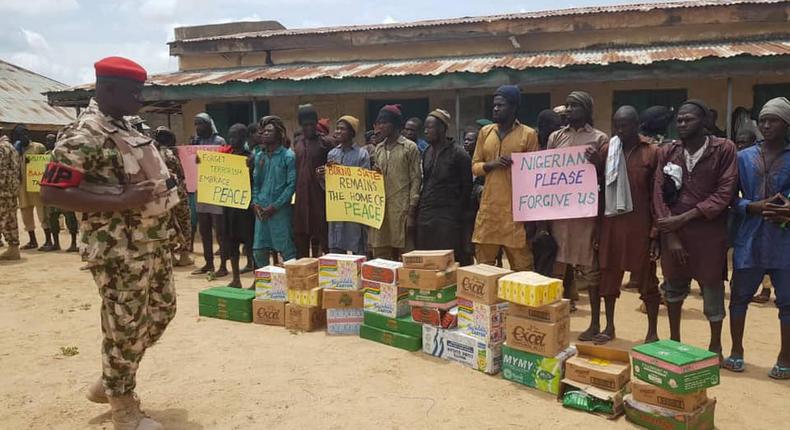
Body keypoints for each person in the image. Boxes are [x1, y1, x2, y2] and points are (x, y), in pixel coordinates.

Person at [40, 56, 177, 430]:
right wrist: (119, 202)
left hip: (151, 241)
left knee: (162, 312)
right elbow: (52, 193)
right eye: (135, 92)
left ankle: (112, 374)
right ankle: (123, 407)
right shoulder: (83, 135)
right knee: (125, 326)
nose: (141, 98)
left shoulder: (128, 124)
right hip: (117, 250)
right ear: (108, 90)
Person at [654, 99, 738, 359]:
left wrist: (685, 218)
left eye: (688, 119)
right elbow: (657, 194)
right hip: (675, 237)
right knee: (673, 289)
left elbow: (725, 193)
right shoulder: (668, 151)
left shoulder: (723, 149)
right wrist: (672, 235)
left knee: (712, 288)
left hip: (708, 234)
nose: (682, 124)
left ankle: (715, 346)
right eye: (678, 119)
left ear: (704, 122)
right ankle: (674, 340)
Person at [723, 97, 790, 379]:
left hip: (784, 242)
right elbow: (729, 197)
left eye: (772, 120)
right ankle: (736, 351)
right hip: (748, 239)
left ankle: (785, 357)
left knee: (787, 302)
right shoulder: (744, 156)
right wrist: (750, 206)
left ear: (786, 124)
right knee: (739, 297)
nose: (765, 125)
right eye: (762, 120)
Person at [596, 106, 661, 344]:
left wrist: (655, 232)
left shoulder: (651, 153)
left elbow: (657, 194)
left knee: (648, 280)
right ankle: (609, 326)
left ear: (636, 125)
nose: (620, 130)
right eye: (617, 125)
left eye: (625, 125)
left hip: (640, 227)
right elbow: (598, 188)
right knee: (608, 278)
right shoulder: (607, 150)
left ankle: (652, 331)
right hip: (611, 227)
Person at [547, 91, 608, 324]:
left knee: (590, 267)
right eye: (568, 105)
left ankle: (595, 322)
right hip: (559, 213)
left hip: (584, 214)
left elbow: (606, 177)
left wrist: (597, 163)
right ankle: (554, 320)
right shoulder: (555, 138)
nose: (569, 110)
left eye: (575, 106)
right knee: (556, 267)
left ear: (587, 110)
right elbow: (545, 173)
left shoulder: (600, 139)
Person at [472, 85, 539, 271]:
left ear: (513, 107)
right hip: (489, 211)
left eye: (500, 105)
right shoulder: (485, 132)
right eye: (494, 105)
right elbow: (475, 166)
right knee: (484, 269)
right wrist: (490, 165)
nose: (495, 108)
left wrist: (531, 219)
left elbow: (534, 176)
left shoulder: (528, 134)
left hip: (515, 214)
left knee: (523, 269)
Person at [416, 109, 472, 265]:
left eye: (430, 128)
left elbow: (467, 188)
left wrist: (456, 212)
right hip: (427, 216)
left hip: (448, 218)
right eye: (425, 128)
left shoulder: (459, 154)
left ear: (442, 128)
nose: (426, 131)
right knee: (427, 262)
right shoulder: (427, 152)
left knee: (448, 262)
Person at [368, 105, 421, 260]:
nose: (380, 126)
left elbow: (416, 180)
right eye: (379, 123)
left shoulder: (409, 148)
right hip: (380, 212)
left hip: (402, 210)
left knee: (407, 255)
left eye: (384, 122)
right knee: (381, 253)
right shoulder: (378, 149)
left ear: (396, 125)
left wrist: (412, 213)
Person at [319, 116, 370, 255]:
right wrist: (323, 176)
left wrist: (343, 172)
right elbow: (328, 187)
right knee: (336, 246)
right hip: (337, 208)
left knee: (358, 247)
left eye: (343, 129)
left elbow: (364, 183)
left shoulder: (362, 154)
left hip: (354, 209)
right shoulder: (332, 154)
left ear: (352, 132)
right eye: (337, 128)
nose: (338, 131)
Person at [252, 115, 297, 265]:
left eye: (269, 131)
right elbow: (256, 183)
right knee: (259, 251)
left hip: (280, 211)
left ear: (279, 134)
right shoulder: (259, 157)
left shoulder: (288, 156)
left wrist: (275, 206)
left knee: (287, 251)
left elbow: (291, 185)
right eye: (263, 131)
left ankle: (290, 285)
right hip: (261, 211)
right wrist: (255, 203)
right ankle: (267, 285)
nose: (265, 133)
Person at [190, 112, 229, 277]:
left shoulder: (219, 142)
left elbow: (225, 163)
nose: (198, 127)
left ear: (209, 125)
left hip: (216, 190)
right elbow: (190, 165)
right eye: (196, 124)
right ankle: (208, 263)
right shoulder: (196, 142)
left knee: (220, 230)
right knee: (204, 229)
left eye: (201, 124)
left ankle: (223, 265)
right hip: (201, 190)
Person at [292, 104, 331, 258]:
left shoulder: (326, 143)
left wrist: (327, 170)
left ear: (316, 123)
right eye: (305, 125)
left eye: (311, 124)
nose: (308, 128)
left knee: (325, 239)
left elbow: (336, 167)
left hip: (320, 199)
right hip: (301, 200)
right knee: (301, 240)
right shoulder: (298, 144)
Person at [153, 126, 193, 267]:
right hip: (178, 192)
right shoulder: (171, 155)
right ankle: (184, 255)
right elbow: (181, 174)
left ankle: (170, 255)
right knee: (184, 222)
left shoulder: (153, 154)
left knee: (168, 222)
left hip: (163, 194)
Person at [222, 124, 256, 288]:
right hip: (229, 209)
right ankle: (236, 278)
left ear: (244, 138)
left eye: (235, 137)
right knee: (232, 244)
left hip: (246, 209)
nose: (232, 140)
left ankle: (257, 279)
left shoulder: (251, 158)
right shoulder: (225, 157)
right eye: (230, 136)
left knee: (251, 245)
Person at [13, 124, 48, 250]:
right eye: (20, 135)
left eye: (25, 134)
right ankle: (32, 240)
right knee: (25, 212)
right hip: (22, 186)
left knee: (42, 212)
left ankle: (48, 240)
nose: (23, 137)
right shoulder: (16, 150)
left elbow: (46, 163)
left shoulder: (38, 147)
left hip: (37, 186)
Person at [461, 126, 482, 266]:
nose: (466, 142)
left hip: (480, 210)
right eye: (465, 139)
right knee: (467, 246)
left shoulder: (483, 161)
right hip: (466, 210)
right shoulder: (461, 159)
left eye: (470, 140)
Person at [0, 131, 21, 260]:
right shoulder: (11, 147)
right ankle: (13, 249)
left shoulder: (1, 148)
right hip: (11, 191)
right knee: (10, 221)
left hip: (2, 190)